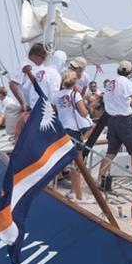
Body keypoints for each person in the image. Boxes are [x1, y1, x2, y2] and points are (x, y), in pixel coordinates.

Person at [98, 60, 132, 189]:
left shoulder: (110, 84)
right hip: (124, 120)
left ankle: (101, 180)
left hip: (111, 120)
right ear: (128, 73)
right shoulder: (126, 82)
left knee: (111, 152)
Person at [52, 70, 94, 204]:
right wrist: (89, 109)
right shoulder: (75, 95)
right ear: (74, 82)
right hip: (73, 131)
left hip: (61, 130)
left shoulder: (56, 95)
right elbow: (83, 113)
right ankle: (79, 196)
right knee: (77, 164)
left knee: (67, 162)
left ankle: (72, 191)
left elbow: (55, 110)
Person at [9, 43, 61, 137]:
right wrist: (22, 102)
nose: (44, 60)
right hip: (30, 106)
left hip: (41, 104)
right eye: (42, 57)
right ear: (34, 55)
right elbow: (13, 84)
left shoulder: (41, 66)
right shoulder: (25, 65)